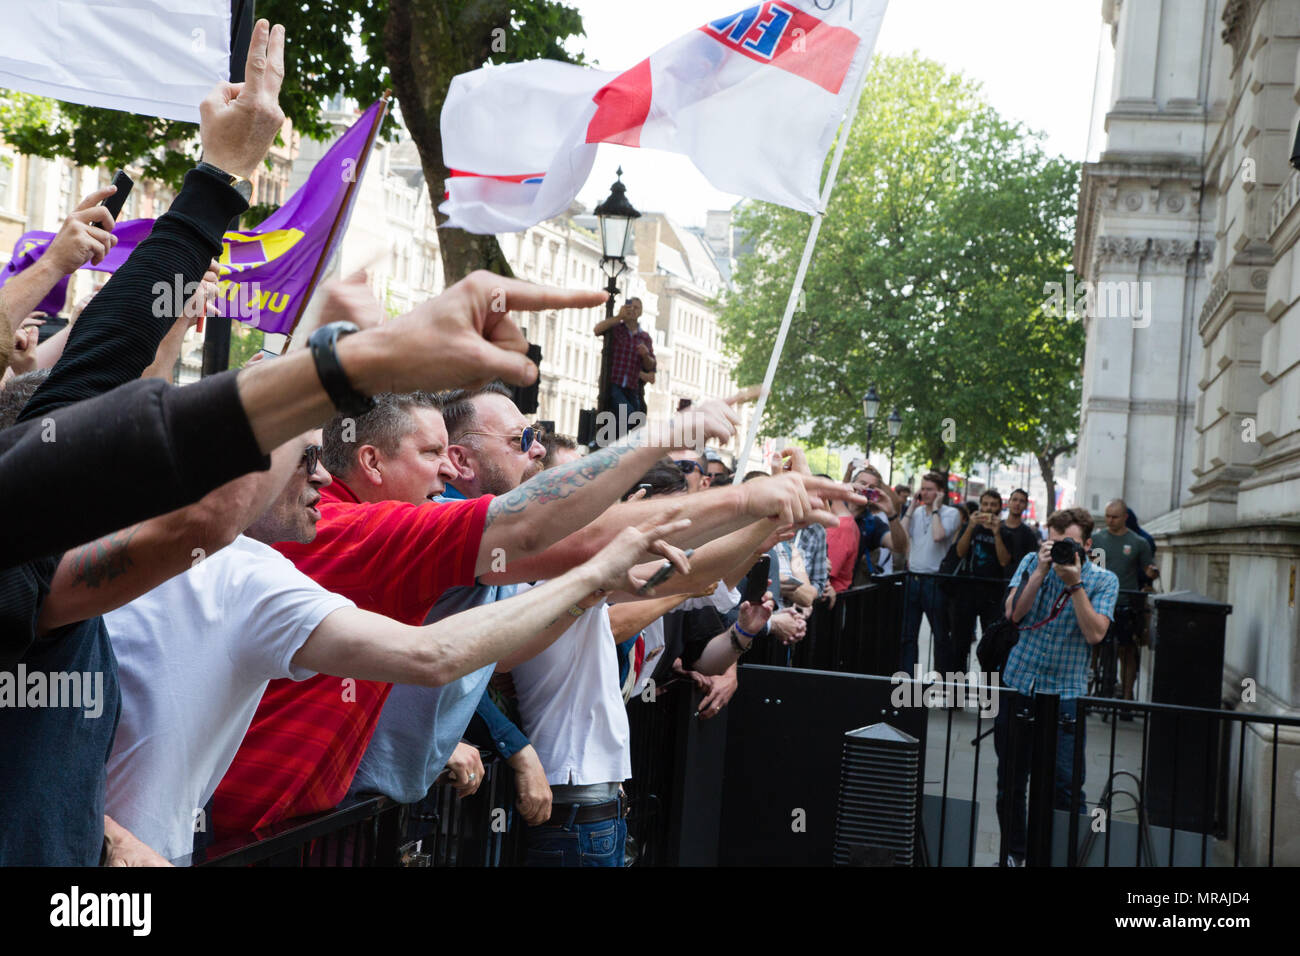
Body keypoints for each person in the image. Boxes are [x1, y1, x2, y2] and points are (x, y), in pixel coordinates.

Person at [100, 432, 688, 863]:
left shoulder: (250, 565)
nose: (322, 476)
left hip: (203, 842)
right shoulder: (279, 555)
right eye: (431, 452)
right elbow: (434, 653)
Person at [996, 507, 1118, 866]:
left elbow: (1096, 633)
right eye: (1054, 543)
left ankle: (1062, 858)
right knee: (1011, 784)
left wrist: (1074, 584)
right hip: (1020, 685)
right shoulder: (1032, 563)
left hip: (1065, 695)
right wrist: (1039, 573)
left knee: (1065, 787)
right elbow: (1013, 615)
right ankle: (1017, 856)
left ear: (1088, 546)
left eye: (1071, 545)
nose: (1062, 550)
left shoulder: (1103, 580)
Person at [1091, 498, 1157, 704]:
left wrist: (1151, 573)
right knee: (1095, 646)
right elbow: (1092, 566)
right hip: (1100, 603)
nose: (1110, 520)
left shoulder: (1139, 542)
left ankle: (1127, 698)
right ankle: (1090, 689)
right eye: (1107, 516)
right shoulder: (1097, 539)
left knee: (1127, 650)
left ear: (1125, 517)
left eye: (1114, 517)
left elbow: (1147, 568)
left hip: (1126, 602)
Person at [899, 472, 961, 673]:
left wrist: (935, 509)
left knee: (941, 635)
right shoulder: (915, 513)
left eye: (929, 489)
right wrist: (910, 508)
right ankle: (907, 678)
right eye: (922, 489)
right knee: (908, 635)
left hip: (935, 580)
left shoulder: (951, 514)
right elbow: (900, 536)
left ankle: (944, 682)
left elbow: (938, 536)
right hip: (913, 578)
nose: (924, 493)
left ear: (940, 492)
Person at [945, 490, 1013, 672]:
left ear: (999, 507)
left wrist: (997, 533)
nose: (989, 509)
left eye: (993, 505)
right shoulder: (970, 526)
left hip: (992, 594)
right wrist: (970, 527)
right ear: (980, 505)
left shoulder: (1005, 530)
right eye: (985, 504)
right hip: (966, 591)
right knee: (959, 645)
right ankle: (956, 693)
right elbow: (959, 552)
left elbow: (1004, 561)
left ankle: (988, 695)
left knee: (991, 647)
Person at [592, 298, 653, 435]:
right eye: (629, 307)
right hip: (614, 383)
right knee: (627, 413)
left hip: (632, 387)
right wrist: (619, 317)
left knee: (636, 419)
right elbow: (597, 330)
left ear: (641, 312)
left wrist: (645, 355)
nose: (632, 310)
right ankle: (619, 446)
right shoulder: (616, 328)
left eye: (636, 308)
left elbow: (651, 366)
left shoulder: (645, 337)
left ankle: (617, 442)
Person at [1002, 488, 1040, 573]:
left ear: (1026, 505)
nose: (1017, 503)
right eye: (1014, 500)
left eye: (1022, 501)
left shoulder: (1029, 534)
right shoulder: (997, 527)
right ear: (1009, 502)